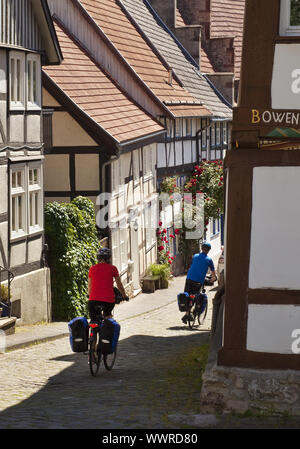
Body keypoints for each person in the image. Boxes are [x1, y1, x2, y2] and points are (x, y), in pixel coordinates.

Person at [88, 247, 128, 321]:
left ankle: (93, 329)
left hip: (93, 300)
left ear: (98, 258)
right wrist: (124, 295)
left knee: (93, 319)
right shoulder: (113, 268)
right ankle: (107, 325)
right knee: (108, 317)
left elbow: (89, 286)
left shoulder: (92, 269)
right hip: (108, 301)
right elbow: (119, 284)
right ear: (109, 258)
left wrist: (89, 294)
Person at [182, 242, 217, 324]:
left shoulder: (195, 256)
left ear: (202, 249)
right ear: (208, 251)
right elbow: (213, 274)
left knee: (188, 295)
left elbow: (194, 265)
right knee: (195, 296)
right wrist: (213, 279)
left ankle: (187, 313)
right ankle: (194, 312)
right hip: (198, 281)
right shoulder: (209, 260)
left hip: (189, 278)